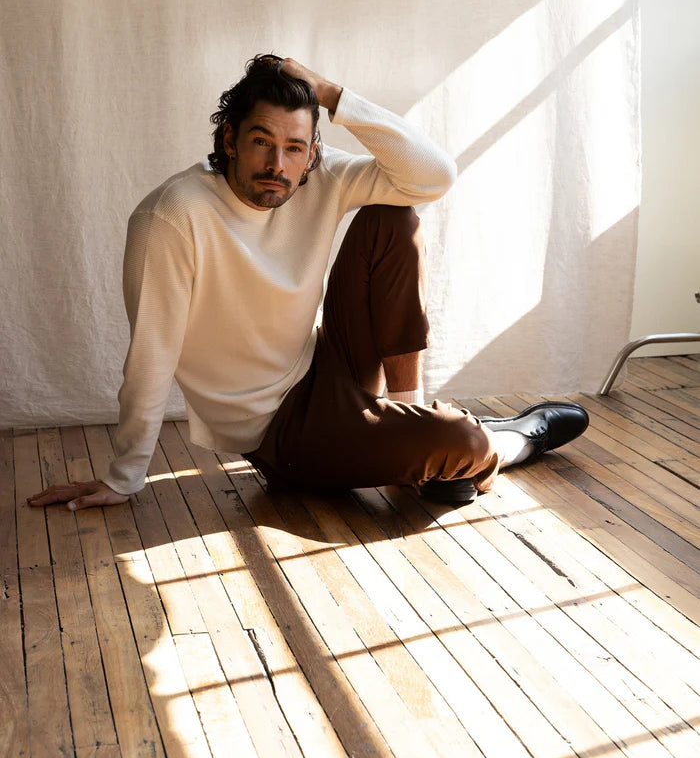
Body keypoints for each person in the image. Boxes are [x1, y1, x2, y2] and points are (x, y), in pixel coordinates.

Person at [28, 54, 587, 513]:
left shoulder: (317, 176)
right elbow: (151, 354)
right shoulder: (174, 218)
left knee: (393, 214)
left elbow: (433, 175)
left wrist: (331, 94)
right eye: (261, 141)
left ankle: (407, 420)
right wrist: (125, 477)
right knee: (462, 446)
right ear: (228, 139)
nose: (277, 163)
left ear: (312, 152)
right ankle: (513, 441)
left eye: (294, 147)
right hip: (281, 432)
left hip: (327, 364)